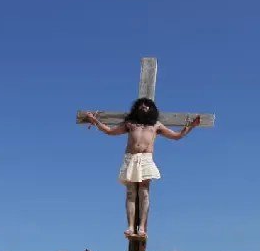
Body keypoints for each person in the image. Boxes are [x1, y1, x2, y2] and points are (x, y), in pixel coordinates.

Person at [84, 100, 201, 239]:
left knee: (144, 192)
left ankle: (141, 227)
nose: (144, 106)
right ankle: (130, 226)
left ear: (152, 109)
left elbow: (176, 136)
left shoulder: (156, 125)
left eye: (147, 105)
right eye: (141, 104)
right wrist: (95, 121)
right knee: (130, 193)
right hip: (131, 158)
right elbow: (109, 131)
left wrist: (192, 126)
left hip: (146, 159)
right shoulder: (130, 124)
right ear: (136, 107)